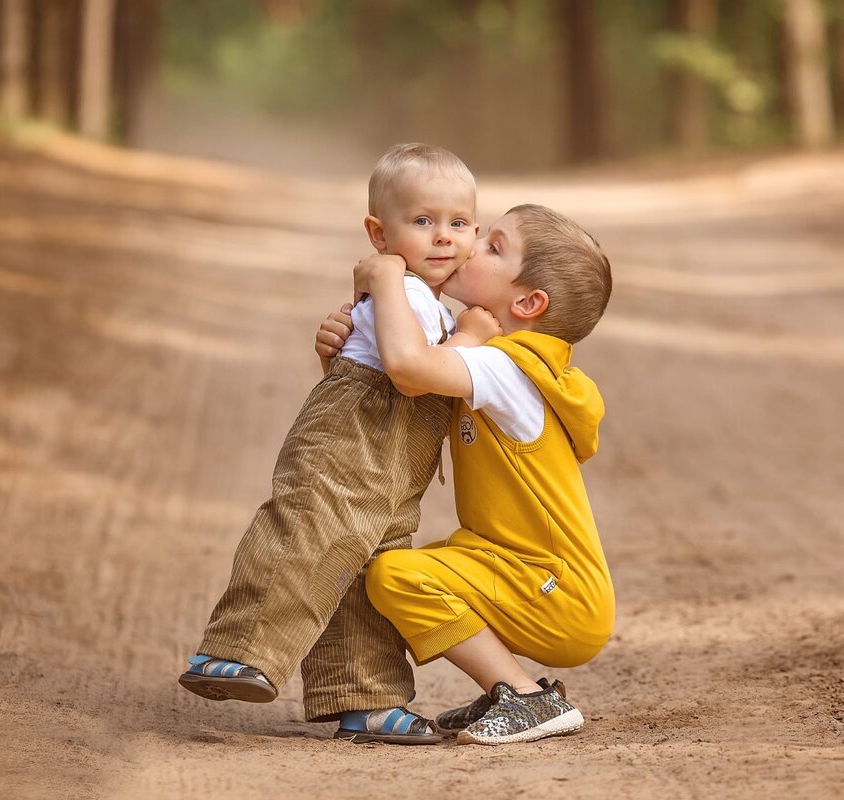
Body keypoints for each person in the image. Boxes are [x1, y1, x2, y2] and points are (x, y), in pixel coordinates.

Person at [179, 143, 499, 745]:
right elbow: (411, 369)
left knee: (368, 568)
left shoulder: (424, 298)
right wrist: (472, 338)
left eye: (457, 224)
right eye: (422, 221)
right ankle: (239, 648)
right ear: (379, 233)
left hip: (397, 459)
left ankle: (367, 698)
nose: (442, 238)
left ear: (474, 231)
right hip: (355, 435)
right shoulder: (396, 286)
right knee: (310, 531)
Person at [334, 203, 615, 745]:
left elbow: (411, 368)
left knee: (396, 575)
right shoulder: (491, 357)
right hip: (525, 574)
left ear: (528, 303)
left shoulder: (508, 367)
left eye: (493, 247)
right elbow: (398, 386)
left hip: (554, 590)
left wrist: (386, 276)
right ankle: (505, 692)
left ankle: (527, 698)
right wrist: (340, 352)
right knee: (410, 566)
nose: (470, 242)